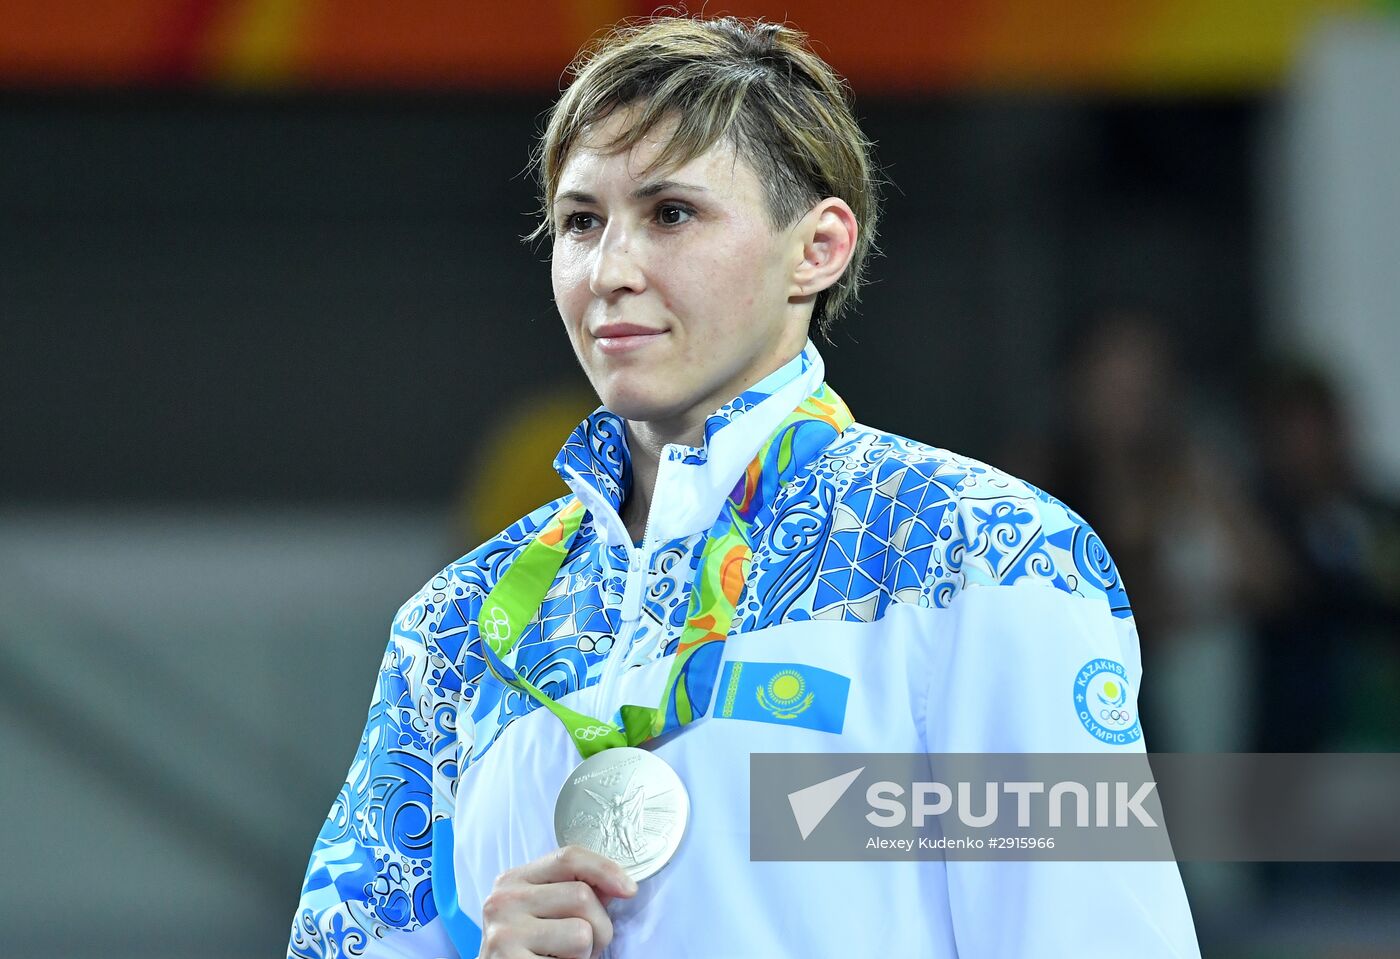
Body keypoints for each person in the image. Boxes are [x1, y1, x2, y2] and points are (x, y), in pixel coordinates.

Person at [288, 16, 1200, 958]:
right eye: (581, 222)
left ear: (818, 248)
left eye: (671, 214)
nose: (609, 271)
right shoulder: (456, 633)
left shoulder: (980, 555)